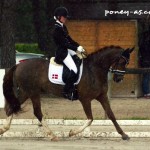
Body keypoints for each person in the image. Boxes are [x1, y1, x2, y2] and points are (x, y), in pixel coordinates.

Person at [52, 6, 85, 100]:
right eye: (64, 17)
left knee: (80, 58)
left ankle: (75, 86)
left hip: (66, 49)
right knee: (74, 70)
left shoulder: (63, 27)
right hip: (62, 52)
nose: (65, 18)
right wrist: (76, 48)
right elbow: (64, 44)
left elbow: (69, 39)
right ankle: (66, 91)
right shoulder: (56, 29)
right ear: (59, 17)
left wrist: (78, 46)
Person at [139, 29, 150, 98]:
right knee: (146, 77)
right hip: (147, 62)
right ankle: (146, 92)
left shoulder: (142, 44)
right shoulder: (147, 44)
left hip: (144, 61)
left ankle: (146, 92)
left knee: (146, 77)